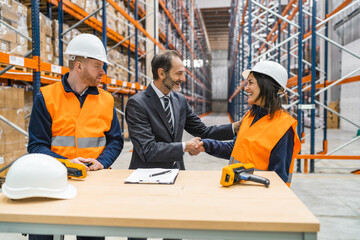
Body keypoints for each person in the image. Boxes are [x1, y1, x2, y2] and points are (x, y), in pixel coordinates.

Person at [27, 34, 124, 240]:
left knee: (91, 235)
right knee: (42, 234)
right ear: (78, 66)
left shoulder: (106, 101)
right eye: (97, 66)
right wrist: (66, 163)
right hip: (52, 181)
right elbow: (36, 146)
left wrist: (102, 162)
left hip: (94, 183)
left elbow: (116, 140)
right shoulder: (46, 97)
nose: (103, 72)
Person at [125, 49, 240, 170]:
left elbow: (202, 131)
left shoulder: (179, 100)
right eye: (179, 73)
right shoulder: (138, 103)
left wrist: (235, 127)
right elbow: (147, 149)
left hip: (177, 171)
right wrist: (184, 146)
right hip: (147, 177)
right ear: (161, 73)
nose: (183, 79)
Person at [200, 61, 301, 186]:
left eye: (251, 83)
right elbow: (236, 149)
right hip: (238, 189)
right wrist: (205, 145)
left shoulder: (283, 127)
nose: (246, 88)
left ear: (266, 86)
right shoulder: (250, 116)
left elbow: (278, 179)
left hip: (260, 198)